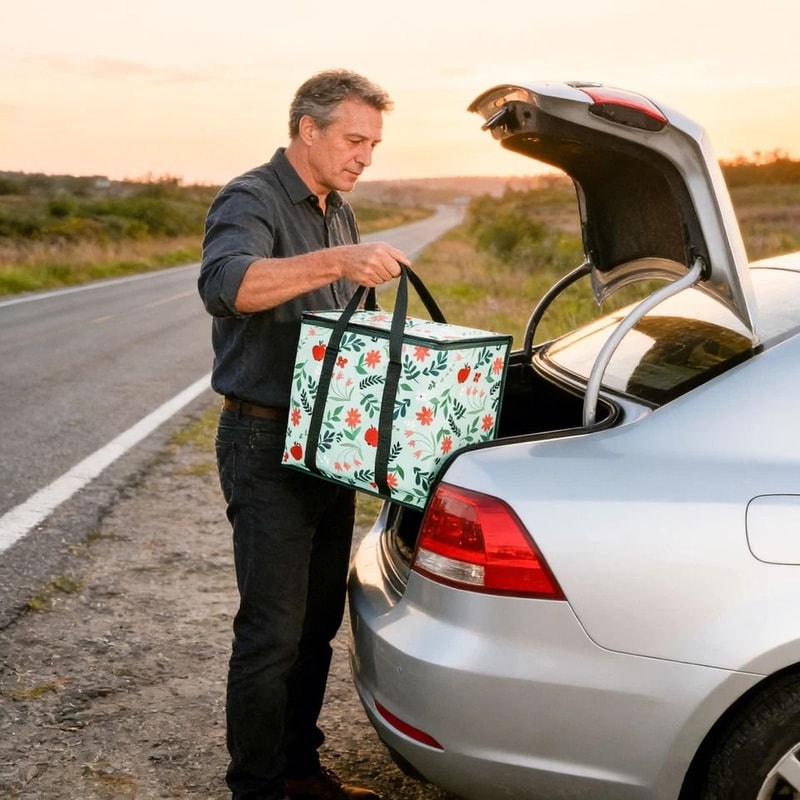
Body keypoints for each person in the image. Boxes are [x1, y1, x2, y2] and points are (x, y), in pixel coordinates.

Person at [197, 69, 409, 800]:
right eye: (354, 140)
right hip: (263, 445)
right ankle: (255, 787)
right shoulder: (250, 197)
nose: (365, 156)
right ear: (308, 130)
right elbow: (227, 284)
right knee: (271, 635)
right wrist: (339, 261)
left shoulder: (337, 207)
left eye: (374, 144)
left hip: (331, 444)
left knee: (317, 627)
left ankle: (298, 772)